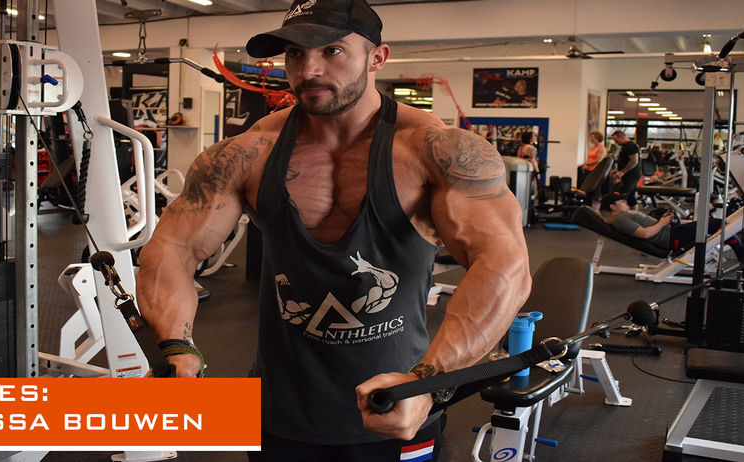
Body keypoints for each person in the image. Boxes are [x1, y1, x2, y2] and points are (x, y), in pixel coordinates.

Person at [134, 0, 532, 460]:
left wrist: (429, 380)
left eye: (332, 51)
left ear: (377, 57)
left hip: (399, 407)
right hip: (277, 410)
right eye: (295, 54)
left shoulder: (436, 151)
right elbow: (174, 249)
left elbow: (504, 265)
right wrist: (176, 344)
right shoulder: (247, 154)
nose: (309, 70)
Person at [599, 193, 744, 259]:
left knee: (714, 224)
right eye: (621, 201)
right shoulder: (620, 219)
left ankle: (742, 251)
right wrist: (662, 223)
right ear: (612, 206)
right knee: (716, 224)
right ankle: (743, 255)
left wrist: (662, 220)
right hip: (671, 238)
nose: (625, 202)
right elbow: (644, 234)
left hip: (672, 232)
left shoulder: (622, 216)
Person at [609, 130, 641, 205]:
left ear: (621, 137)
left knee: (624, 195)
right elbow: (625, 161)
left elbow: (634, 161)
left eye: (616, 141)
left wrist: (622, 172)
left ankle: (625, 210)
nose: (616, 143)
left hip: (632, 174)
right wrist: (617, 169)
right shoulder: (625, 146)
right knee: (630, 197)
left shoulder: (631, 146)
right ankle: (631, 211)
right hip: (628, 174)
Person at [579, 130, 606, 209]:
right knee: (588, 189)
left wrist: (587, 164)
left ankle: (596, 208)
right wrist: (585, 164)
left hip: (596, 171)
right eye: (590, 137)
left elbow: (598, 160)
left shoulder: (601, 148)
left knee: (595, 189)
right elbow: (590, 158)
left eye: (593, 137)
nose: (591, 139)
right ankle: (588, 207)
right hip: (589, 170)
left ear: (597, 138)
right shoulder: (592, 147)